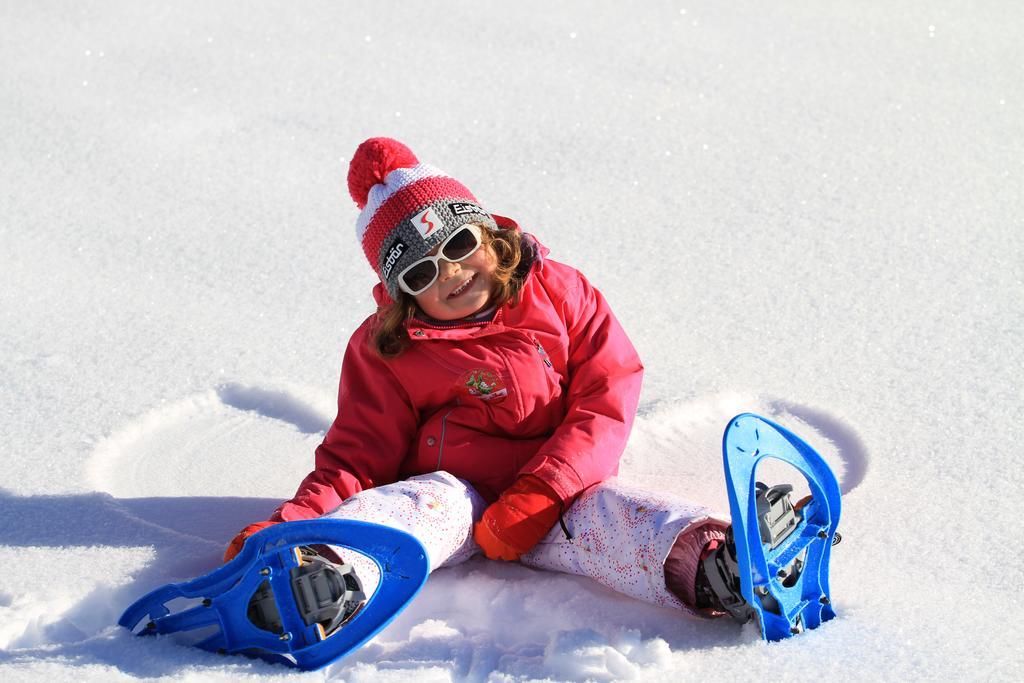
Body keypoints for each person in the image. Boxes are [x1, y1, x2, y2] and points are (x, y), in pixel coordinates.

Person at [224, 137, 738, 617]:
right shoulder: (388, 348)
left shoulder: (559, 293)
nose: (448, 271)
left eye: (458, 243)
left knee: (618, 515)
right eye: (420, 273)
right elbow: (355, 456)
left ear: (488, 233)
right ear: (404, 295)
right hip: (461, 496)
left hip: (565, 490)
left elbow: (608, 391)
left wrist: (544, 490)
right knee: (412, 510)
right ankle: (310, 581)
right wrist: (291, 524)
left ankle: (719, 564)